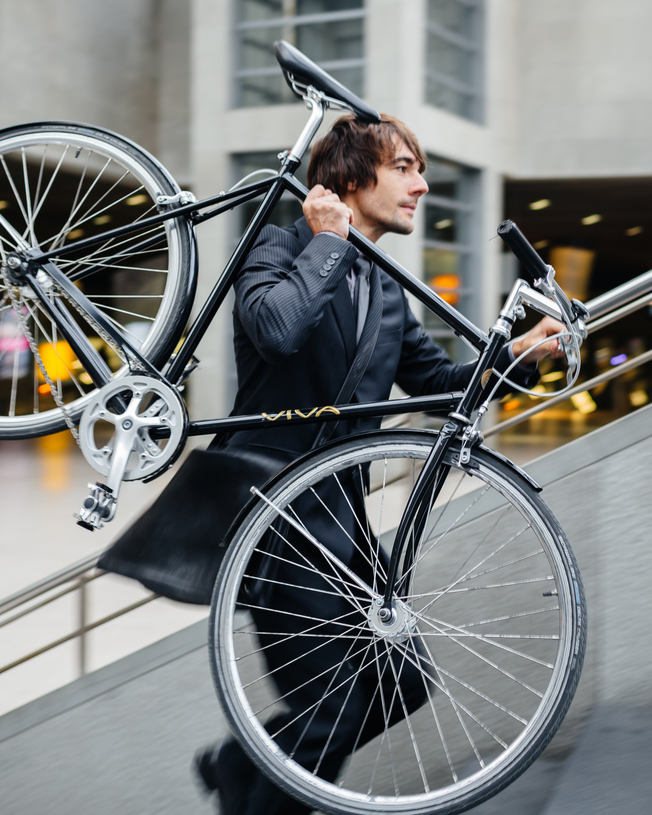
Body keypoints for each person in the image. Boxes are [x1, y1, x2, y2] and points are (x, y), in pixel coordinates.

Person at [193, 112, 564, 814]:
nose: (421, 184)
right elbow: (277, 328)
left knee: (405, 681)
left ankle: (241, 763)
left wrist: (518, 355)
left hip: (346, 531)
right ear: (350, 177)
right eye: (404, 167)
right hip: (277, 525)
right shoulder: (276, 245)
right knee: (330, 708)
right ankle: (253, 784)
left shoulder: (386, 291)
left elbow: (439, 384)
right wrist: (328, 240)